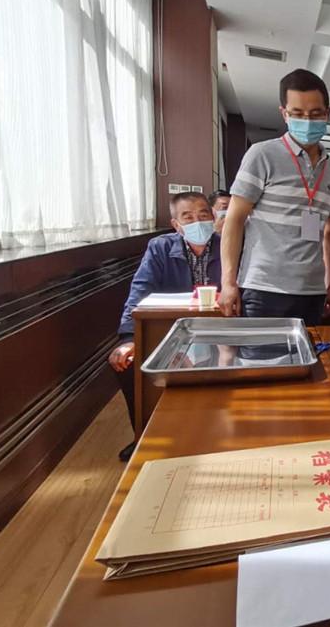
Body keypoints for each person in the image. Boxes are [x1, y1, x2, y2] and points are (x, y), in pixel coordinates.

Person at [219, 69, 330, 325]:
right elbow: (234, 220)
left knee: (311, 352)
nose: (307, 121)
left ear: (327, 113)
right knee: (261, 352)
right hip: (264, 288)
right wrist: (228, 282)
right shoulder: (261, 155)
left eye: (315, 114)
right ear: (284, 114)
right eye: (297, 114)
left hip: (313, 291)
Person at [108, 192, 222, 460]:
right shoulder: (159, 248)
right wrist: (129, 338)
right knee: (127, 362)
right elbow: (140, 290)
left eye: (203, 215)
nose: (198, 222)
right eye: (188, 217)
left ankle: (213, 432)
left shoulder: (228, 243)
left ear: (213, 216)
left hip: (218, 328)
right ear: (176, 225)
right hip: (172, 331)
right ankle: (144, 435)